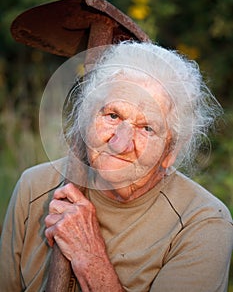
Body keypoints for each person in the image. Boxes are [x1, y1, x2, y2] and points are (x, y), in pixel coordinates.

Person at [0, 41, 232, 292]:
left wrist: (90, 257)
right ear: (87, 118)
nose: (120, 143)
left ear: (171, 150)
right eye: (113, 116)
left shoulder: (203, 223)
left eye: (146, 128)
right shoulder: (35, 186)